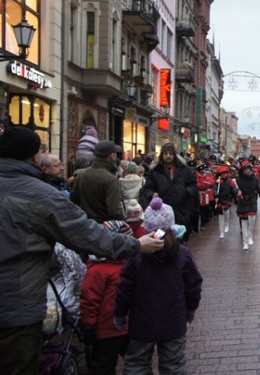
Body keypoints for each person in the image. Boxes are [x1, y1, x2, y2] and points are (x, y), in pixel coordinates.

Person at [0, 126, 163, 374]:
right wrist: (133, 243)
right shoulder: (39, 193)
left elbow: (75, 206)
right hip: (16, 304)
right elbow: (86, 227)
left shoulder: (80, 176)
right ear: (35, 158)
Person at [114, 208, 203, 374]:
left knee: (137, 365)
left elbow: (124, 288)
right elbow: (194, 285)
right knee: (173, 366)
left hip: (141, 323)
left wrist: (120, 314)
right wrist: (190, 309)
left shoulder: (137, 255)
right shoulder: (182, 253)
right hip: (174, 321)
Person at [80, 221, 136, 374]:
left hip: (112, 329)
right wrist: (90, 325)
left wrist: (89, 325)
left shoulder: (98, 269)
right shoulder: (101, 271)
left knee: (106, 366)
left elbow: (88, 300)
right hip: (111, 330)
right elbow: (89, 300)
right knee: (131, 364)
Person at [141, 142, 198, 242]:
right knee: (162, 241)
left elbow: (193, 185)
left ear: (174, 155)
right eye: (165, 153)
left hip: (181, 210)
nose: (168, 156)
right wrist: (152, 194)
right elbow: (147, 189)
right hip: (162, 213)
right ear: (162, 155)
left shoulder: (185, 170)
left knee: (181, 241)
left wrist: (186, 192)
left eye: (170, 153)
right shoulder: (155, 171)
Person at [71, 140, 125, 223]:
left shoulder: (81, 176)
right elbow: (115, 211)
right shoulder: (110, 179)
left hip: (84, 225)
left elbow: (73, 202)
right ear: (112, 156)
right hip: (103, 228)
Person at [235, 160, 260, 250]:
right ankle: (245, 242)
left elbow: (259, 190)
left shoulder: (254, 179)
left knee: (252, 219)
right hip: (242, 201)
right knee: (243, 222)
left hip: (252, 200)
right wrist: (236, 192)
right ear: (242, 170)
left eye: (248, 169)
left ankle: (250, 235)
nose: (247, 170)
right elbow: (234, 189)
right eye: (245, 169)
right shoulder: (238, 179)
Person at [214, 165, 238, 239]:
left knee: (226, 213)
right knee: (220, 216)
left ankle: (227, 224)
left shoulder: (230, 181)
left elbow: (234, 191)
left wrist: (235, 189)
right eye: (222, 173)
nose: (224, 174)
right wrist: (216, 196)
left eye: (225, 173)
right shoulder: (217, 182)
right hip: (220, 200)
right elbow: (215, 190)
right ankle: (221, 232)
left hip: (227, 199)